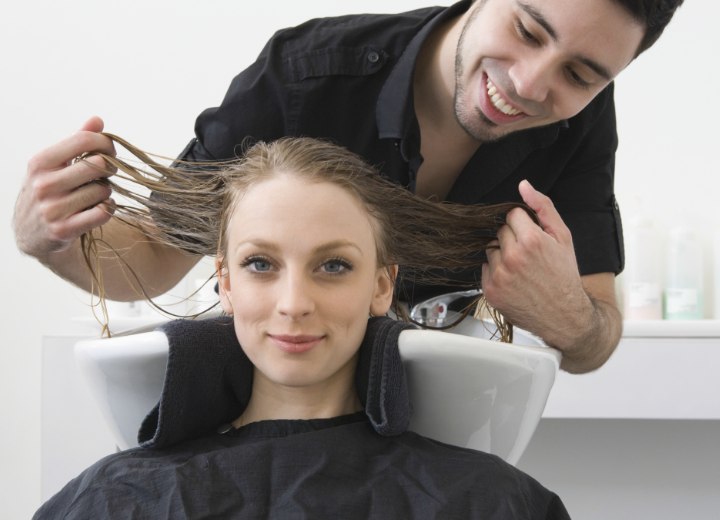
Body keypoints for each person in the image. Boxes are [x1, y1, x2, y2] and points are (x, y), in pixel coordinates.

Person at [13, 0, 684, 373]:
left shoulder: (580, 121)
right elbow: (156, 256)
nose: (532, 85)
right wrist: (49, 240)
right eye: (527, 30)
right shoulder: (305, 78)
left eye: (582, 75)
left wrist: (565, 314)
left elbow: (596, 336)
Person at [34, 136, 570, 519]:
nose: (294, 304)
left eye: (333, 266)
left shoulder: (490, 501)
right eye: (260, 264)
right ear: (225, 281)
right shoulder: (114, 498)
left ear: (381, 286)